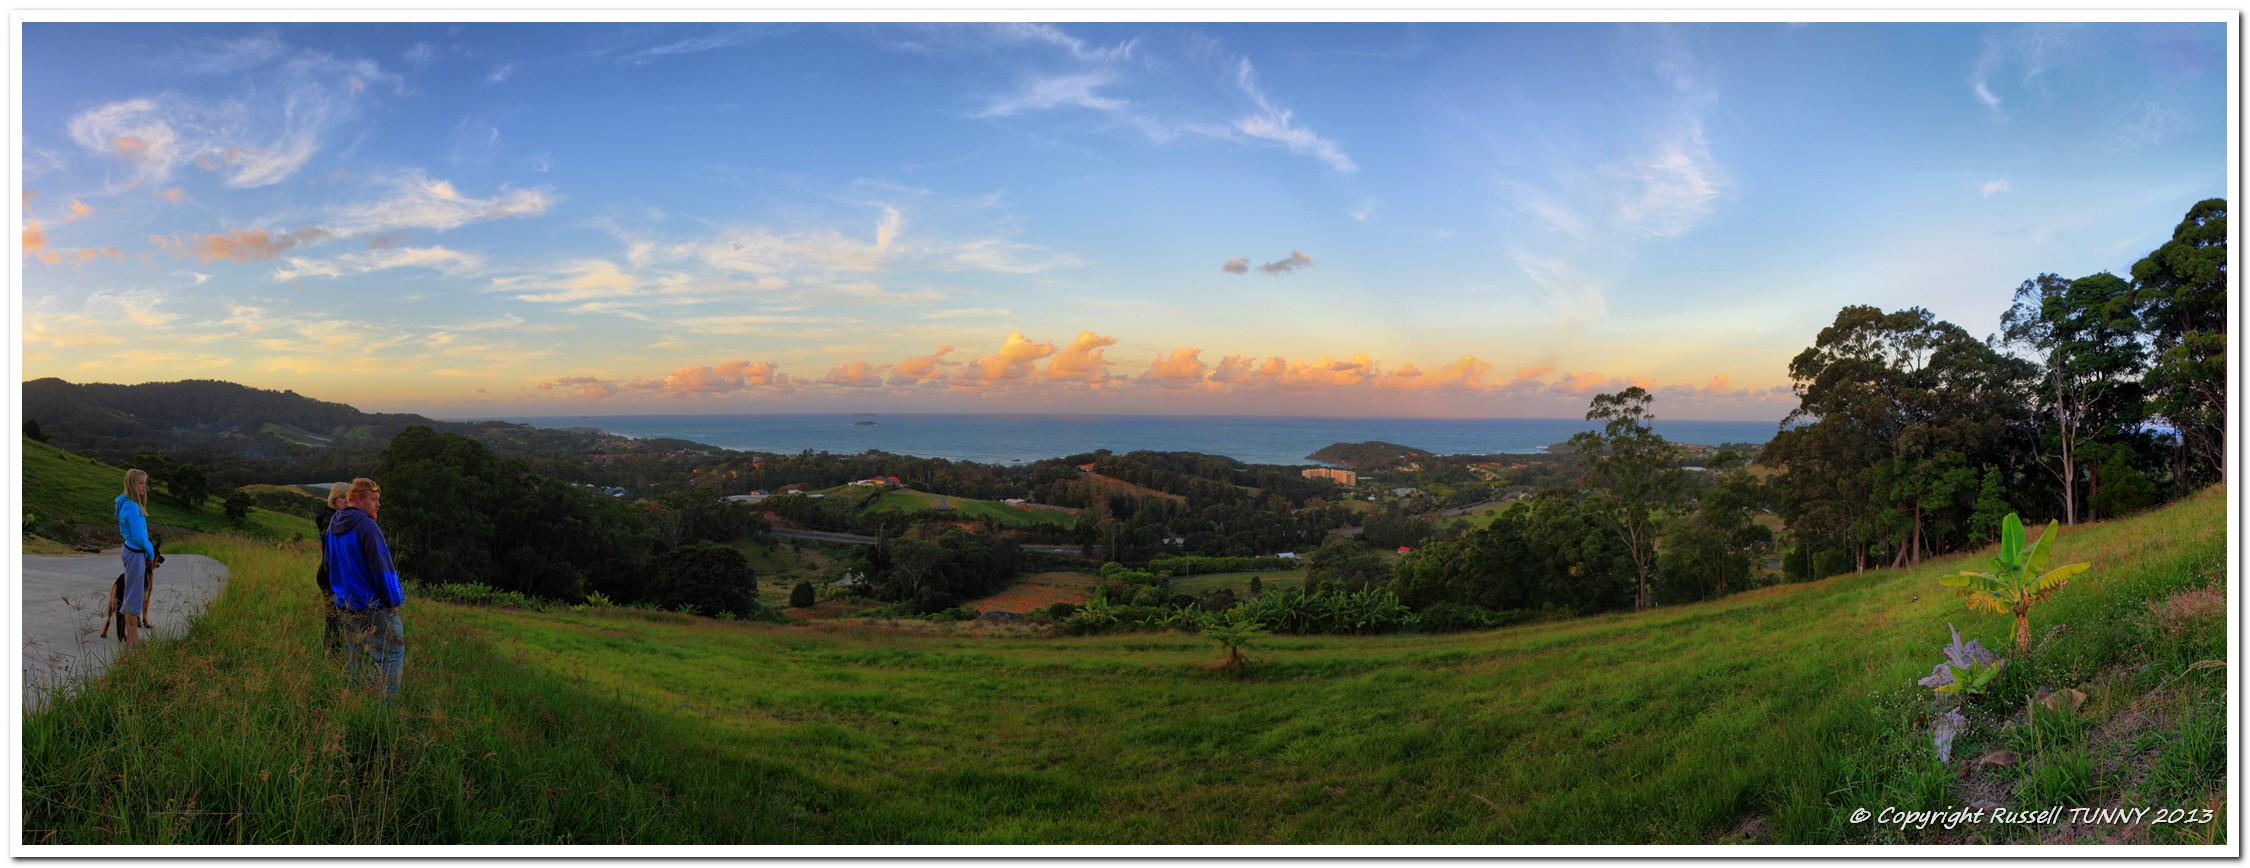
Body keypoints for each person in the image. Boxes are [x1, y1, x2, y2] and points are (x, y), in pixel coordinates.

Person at [326, 478, 405, 701]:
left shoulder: (334, 524)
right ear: (359, 499)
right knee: (391, 655)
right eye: (374, 499)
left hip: (346, 604)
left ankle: (354, 704)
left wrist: (338, 595)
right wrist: (394, 600)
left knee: (356, 658)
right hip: (373, 606)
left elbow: (330, 565)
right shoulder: (367, 526)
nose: (378, 505)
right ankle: (382, 713)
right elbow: (383, 569)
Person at [112, 469, 158, 648]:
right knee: (133, 597)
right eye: (140, 483)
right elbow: (139, 537)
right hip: (135, 554)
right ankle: (133, 640)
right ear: (132, 484)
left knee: (133, 595)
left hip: (131, 552)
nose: (144, 486)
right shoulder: (131, 506)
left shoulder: (128, 504)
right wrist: (150, 552)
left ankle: (133, 637)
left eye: (144, 483)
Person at [312, 483, 350, 653]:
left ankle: (333, 651)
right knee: (334, 617)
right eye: (344, 498)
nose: (348, 502)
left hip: (330, 575)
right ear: (335, 500)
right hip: (329, 577)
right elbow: (329, 535)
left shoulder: (338, 515)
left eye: (351, 498)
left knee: (336, 617)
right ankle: (332, 652)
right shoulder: (331, 519)